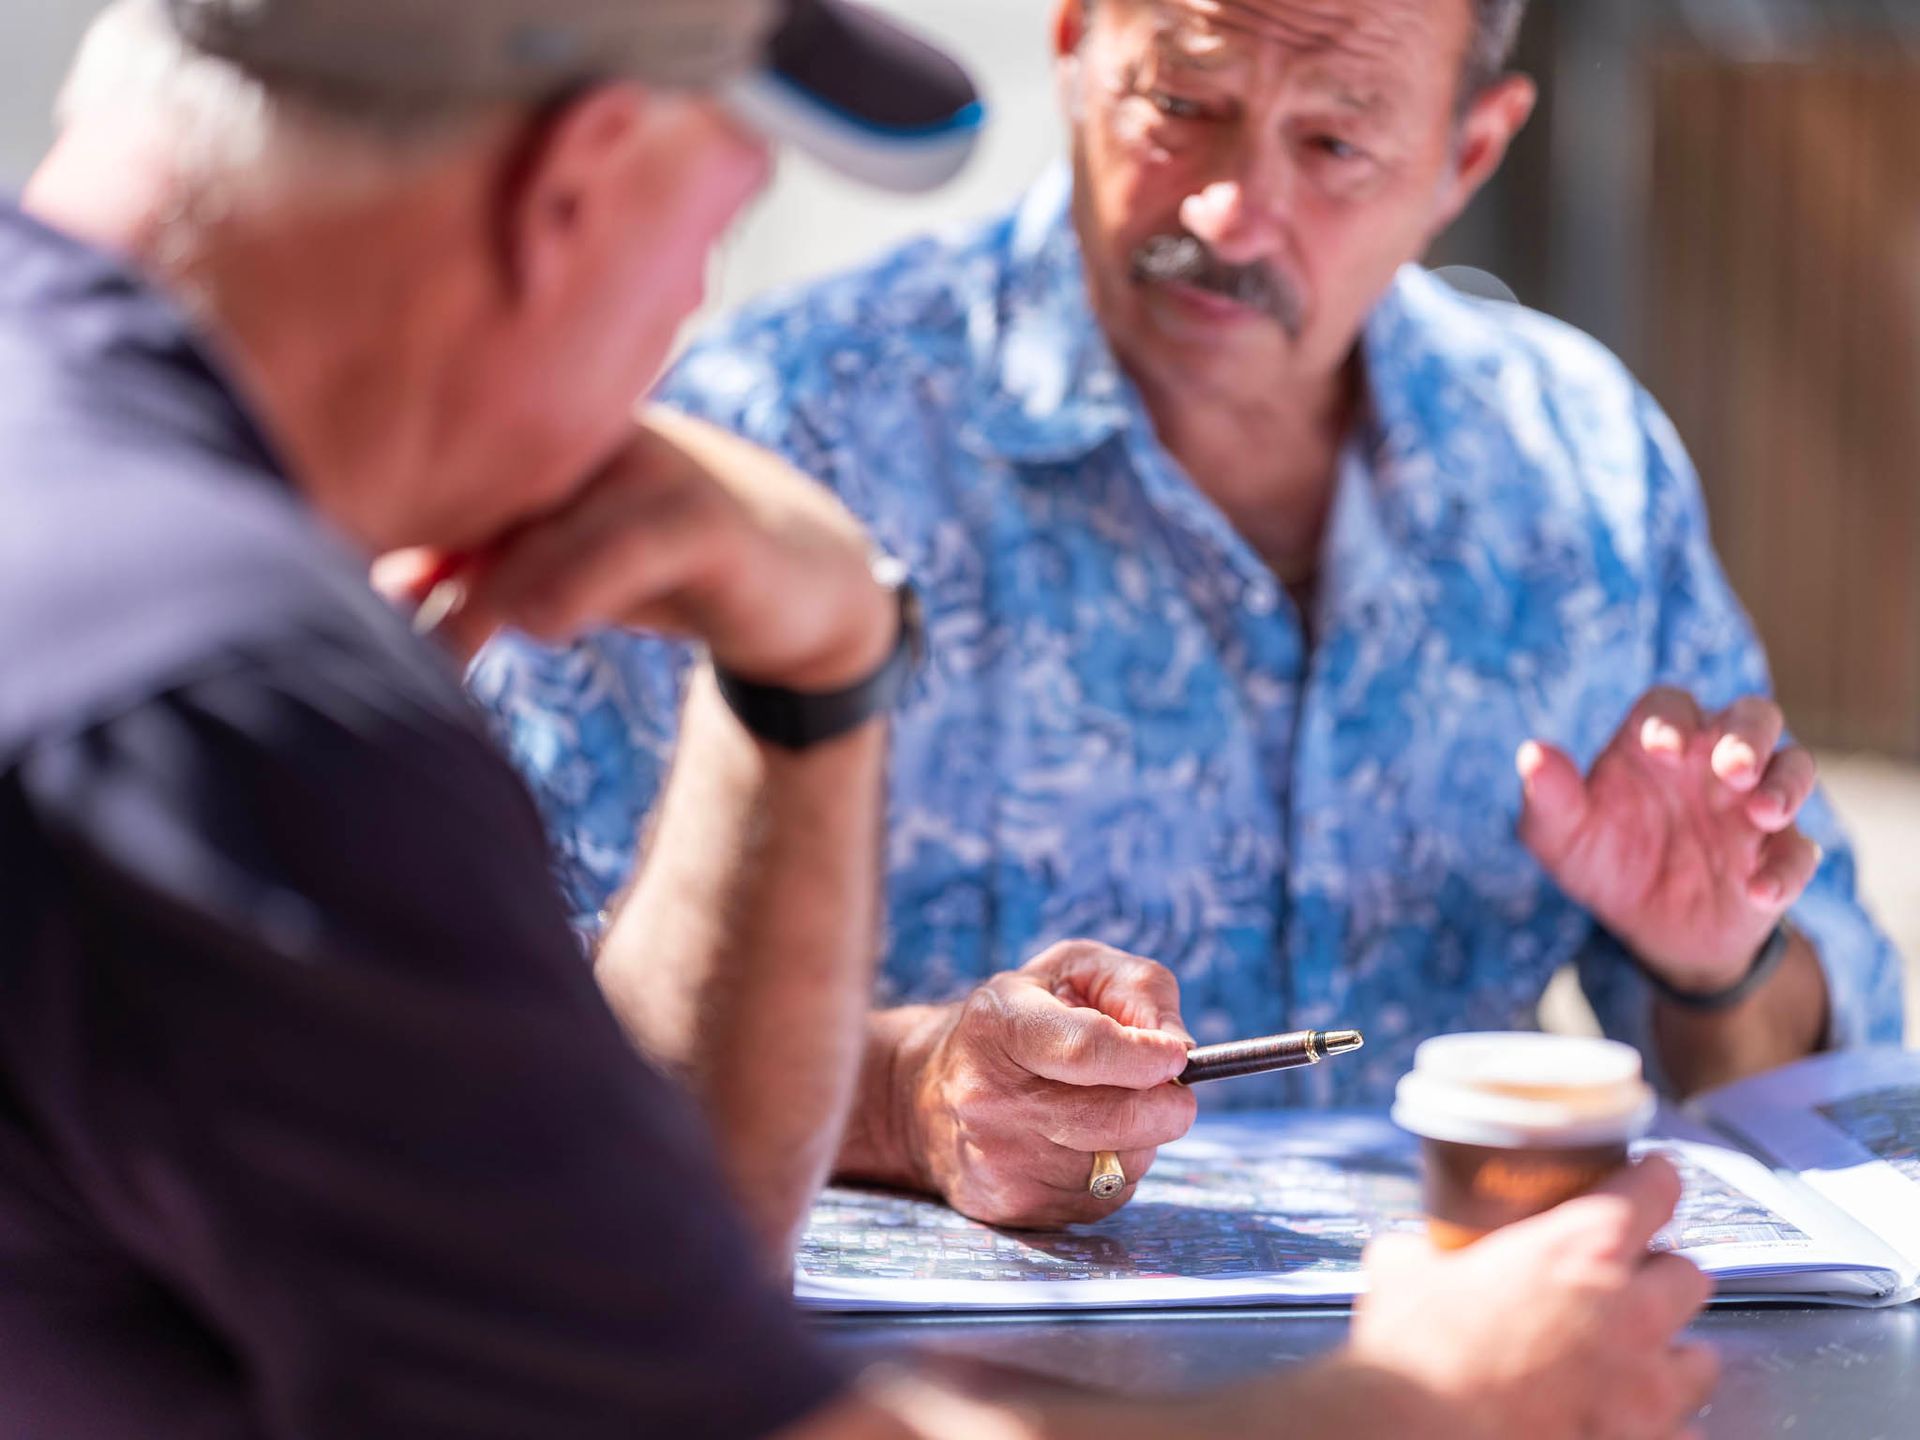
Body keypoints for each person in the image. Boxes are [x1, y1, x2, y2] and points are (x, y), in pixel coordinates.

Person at [0, 0, 1715, 1437]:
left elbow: (647, 1243)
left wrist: (813, 664)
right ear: (572, 187)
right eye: (725, 205)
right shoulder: (232, 717)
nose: (695, 311)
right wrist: (1424, 1401)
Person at [475, 0, 1906, 1228]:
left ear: (1467, 155)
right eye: (1182, 105)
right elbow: (482, 1022)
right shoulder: (771, 441)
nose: (1229, 212)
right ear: (1077, 44)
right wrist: (906, 1100)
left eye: (1336, 143)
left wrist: (1718, 959)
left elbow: (1809, 1075)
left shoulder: (1579, 464)